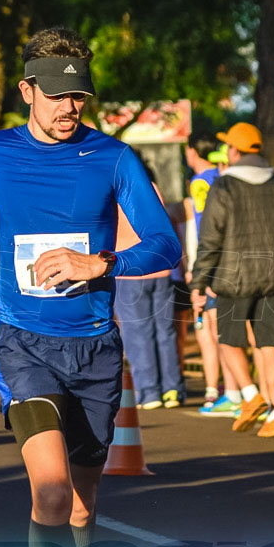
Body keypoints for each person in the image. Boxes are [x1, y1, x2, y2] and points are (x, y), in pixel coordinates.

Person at [0, 27, 181, 547]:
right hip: (24, 343)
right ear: (27, 90)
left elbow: (164, 244)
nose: (69, 108)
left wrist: (101, 263)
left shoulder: (113, 157)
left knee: (80, 504)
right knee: (51, 493)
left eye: (78, 96)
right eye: (56, 96)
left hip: (96, 350)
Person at [190, 122, 274, 438]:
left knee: (229, 340)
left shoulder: (224, 187)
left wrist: (199, 281)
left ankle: (251, 396)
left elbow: (210, 239)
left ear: (235, 151)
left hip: (234, 278)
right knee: (270, 345)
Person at [114, 165, 184, 409]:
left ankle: (149, 392)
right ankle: (173, 389)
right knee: (165, 331)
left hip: (128, 270)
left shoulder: (113, 191)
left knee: (137, 333)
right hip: (161, 268)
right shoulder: (153, 189)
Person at [183, 135, 236, 415]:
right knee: (225, 329)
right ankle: (228, 389)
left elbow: (203, 227)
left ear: (192, 152)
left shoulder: (200, 182)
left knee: (208, 330)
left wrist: (198, 269)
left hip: (211, 263)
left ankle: (217, 389)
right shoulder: (226, 176)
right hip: (231, 262)